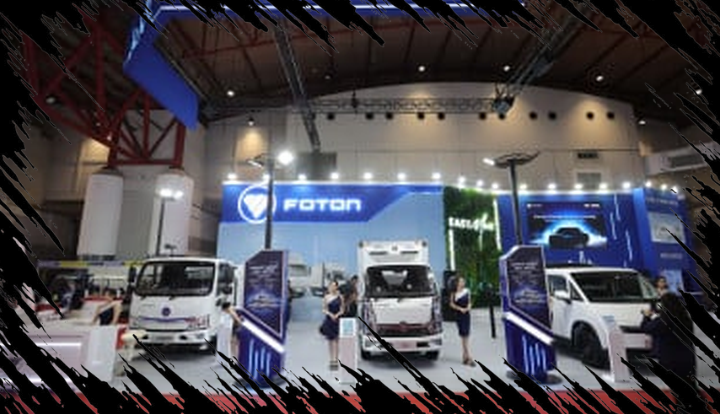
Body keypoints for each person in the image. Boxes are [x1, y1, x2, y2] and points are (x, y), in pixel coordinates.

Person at [641, 293, 696, 389]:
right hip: (687, 357)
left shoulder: (663, 321)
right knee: (689, 384)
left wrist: (646, 317)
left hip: (670, 358)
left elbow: (646, 328)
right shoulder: (686, 319)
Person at [450, 276, 475, 366]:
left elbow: (469, 301)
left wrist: (468, 307)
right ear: (457, 283)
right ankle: (467, 357)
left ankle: (465, 356)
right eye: (461, 281)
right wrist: (460, 309)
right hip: (459, 315)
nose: (463, 282)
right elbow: (451, 304)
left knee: (466, 335)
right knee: (463, 334)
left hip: (467, 315)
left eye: (463, 281)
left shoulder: (467, 291)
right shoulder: (454, 293)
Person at [320, 281, 344, 370]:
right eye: (331, 286)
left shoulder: (340, 297)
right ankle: (331, 359)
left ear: (337, 287)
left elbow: (342, 309)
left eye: (334, 286)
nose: (333, 287)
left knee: (337, 340)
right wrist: (330, 314)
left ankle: (336, 360)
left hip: (337, 320)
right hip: (329, 320)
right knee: (330, 341)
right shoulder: (326, 297)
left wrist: (337, 315)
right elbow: (324, 309)